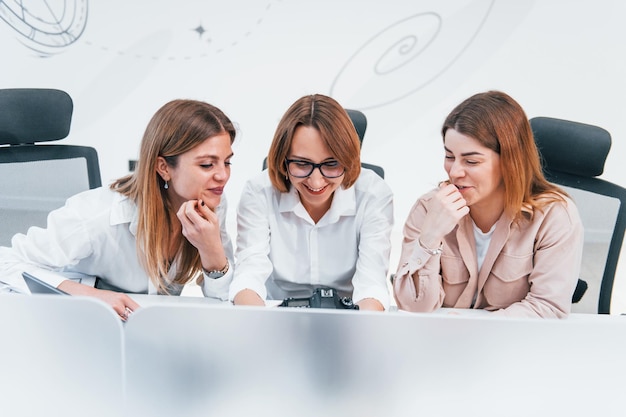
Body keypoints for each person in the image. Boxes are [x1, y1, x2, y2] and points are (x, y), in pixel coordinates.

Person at [0, 99, 236, 320]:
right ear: (163, 167)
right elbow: (7, 263)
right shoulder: (99, 214)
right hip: (78, 326)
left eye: (227, 162)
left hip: (146, 329)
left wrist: (211, 251)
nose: (222, 175)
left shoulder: (211, 203)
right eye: (207, 164)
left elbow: (223, 302)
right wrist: (87, 296)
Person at [393, 90, 583, 318]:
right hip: (440, 344)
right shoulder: (429, 208)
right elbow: (413, 308)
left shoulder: (553, 216)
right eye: (449, 156)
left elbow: (547, 307)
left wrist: (474, 335)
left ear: (510, 161)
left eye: (471, 161)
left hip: (515, 347)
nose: (455, 172)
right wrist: (429, 238)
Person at [229, 94, 393, 311]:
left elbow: (372, 284)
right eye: (301, 164)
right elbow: (248, 275)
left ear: (349, 159)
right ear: (283, 159)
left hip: (350, 319)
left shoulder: (373, 193)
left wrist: (355, 336)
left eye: (331, 164)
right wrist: (260, 328)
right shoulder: (258, 191)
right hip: (275, 316)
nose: (316, 181)